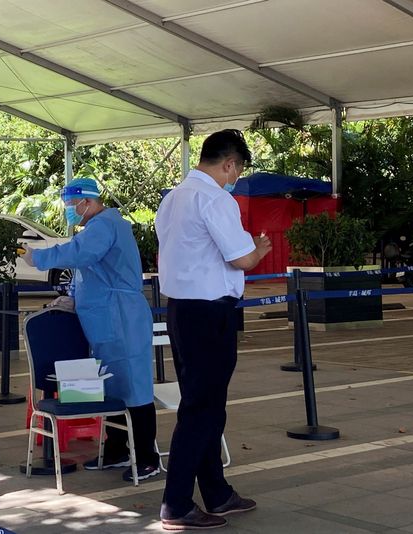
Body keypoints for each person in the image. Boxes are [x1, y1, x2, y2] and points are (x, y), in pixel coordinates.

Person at [155, 129, 271, 530]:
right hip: (209, 313)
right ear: (230, 164)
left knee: (203, 405)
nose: (235, 176)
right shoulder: (216, 198)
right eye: (237, 169)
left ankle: (217, 492)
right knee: (201, 410)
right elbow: (241, 260)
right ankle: (177, 503)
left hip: (182, 311)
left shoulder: (172, 198)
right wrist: (260, 249)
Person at [21, 177, 159, 482]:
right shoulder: (99, 226)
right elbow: (91, 272)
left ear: (87, 201)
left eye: (72, 204)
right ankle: (117, 450)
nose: (70, 210)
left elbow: (80, 253)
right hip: (107, 318)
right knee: (113, 388)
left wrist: (39, 257)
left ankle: (147, 458)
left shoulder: (105, 225)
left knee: (135, 390)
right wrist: (72, 297)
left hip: (121, 318)